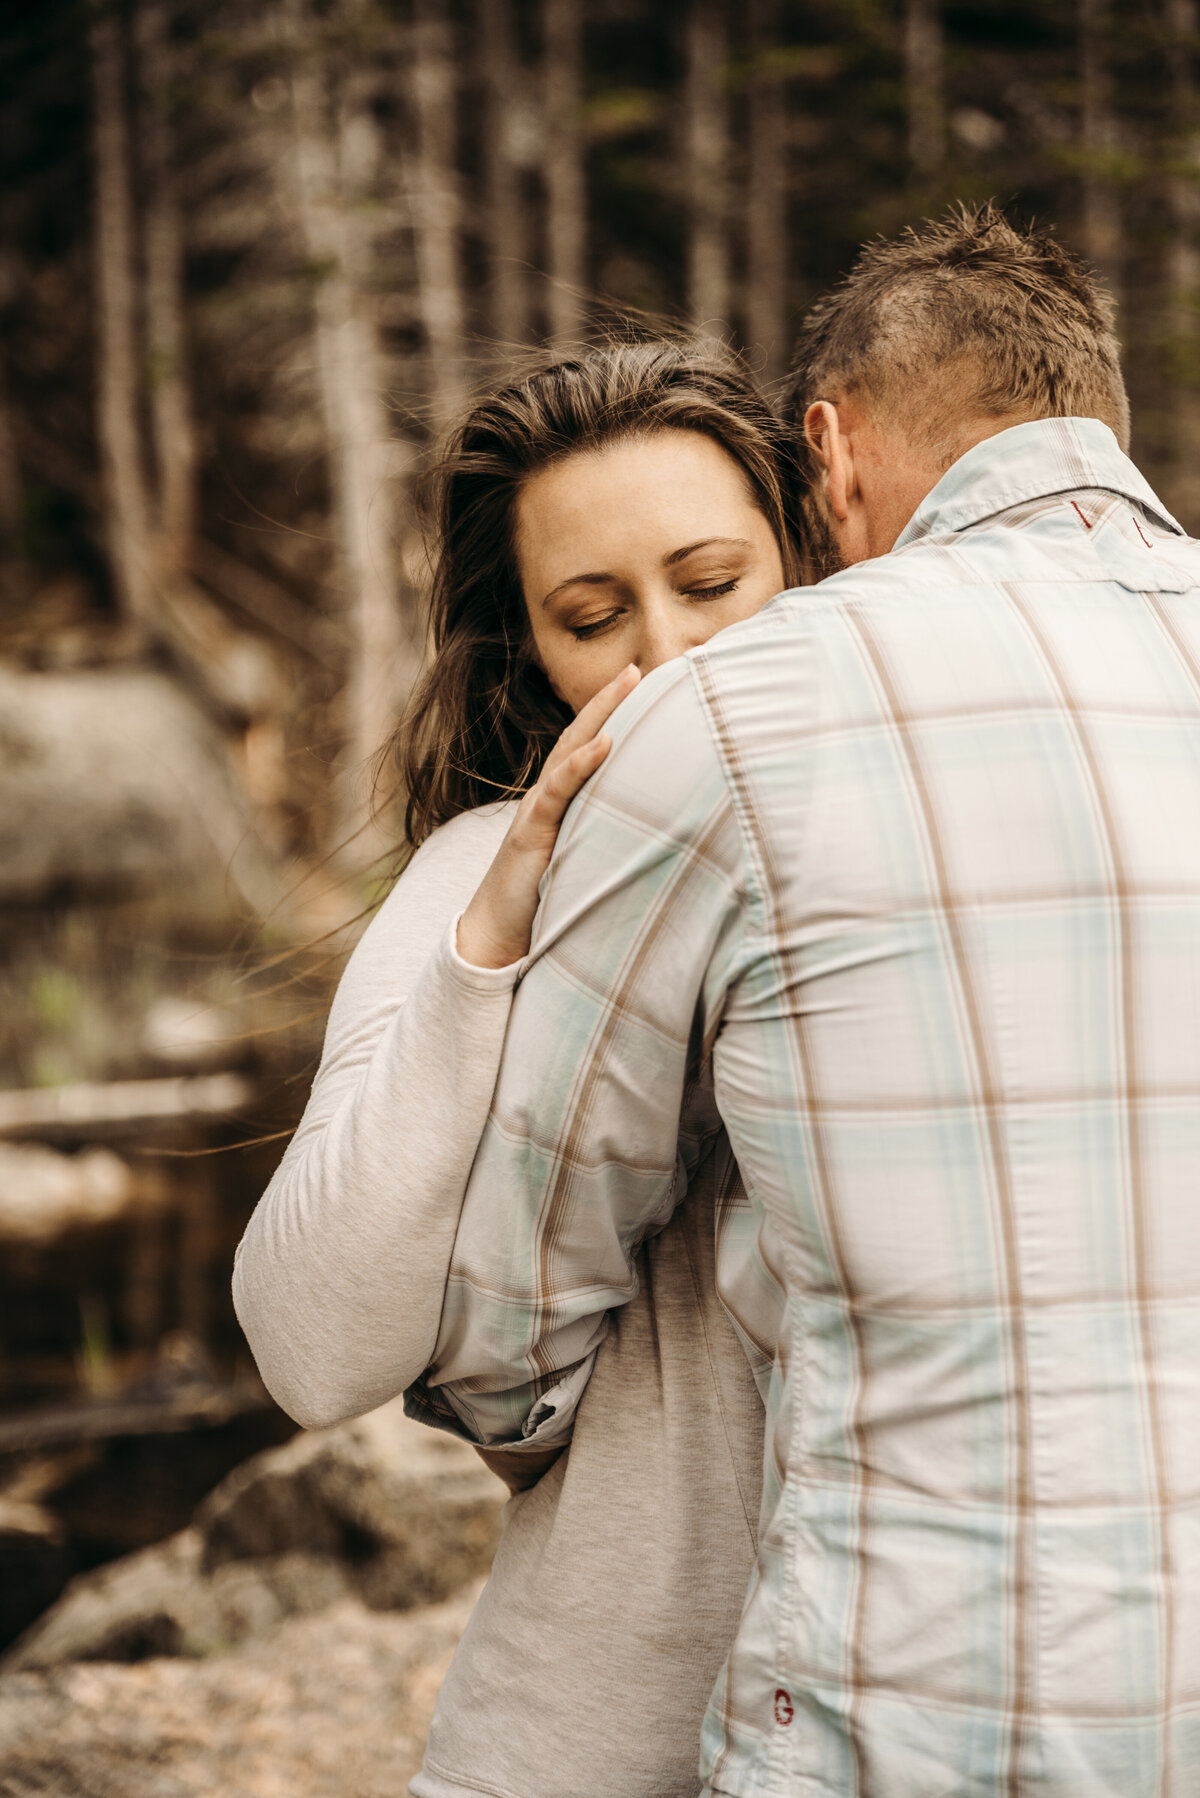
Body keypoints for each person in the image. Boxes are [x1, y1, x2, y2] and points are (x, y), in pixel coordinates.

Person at [413, 204, 1200, 1796]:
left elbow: (510, 1311)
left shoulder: (744, 713)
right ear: (1095, 421)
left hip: (907, 1717)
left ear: (827, 457)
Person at [233, 339, 804, 1798]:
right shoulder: (479, 871)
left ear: (808, 556)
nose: (668, 657)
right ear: (531, 648)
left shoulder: (952, 827)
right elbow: (308, 1350)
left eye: (715, 580)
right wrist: (493, 936)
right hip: (585, 1735)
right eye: (592, 613)